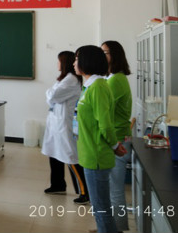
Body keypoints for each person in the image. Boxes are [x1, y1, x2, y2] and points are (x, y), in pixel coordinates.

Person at [74, 45, 127, 233]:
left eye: (77, 59)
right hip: (89, 152)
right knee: (99, 207)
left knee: (101, 208)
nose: (74, 63)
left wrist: (114, 145)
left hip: (97, 154)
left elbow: (105, 124)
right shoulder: (90, 86)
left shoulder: (98, 87)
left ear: (87, 61)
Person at [41, 51, 89, 205]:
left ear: (64, 63)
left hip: (64, 124)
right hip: (56, 122)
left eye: (59, 61)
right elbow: (52, 96)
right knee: (54, 153)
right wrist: (50, 94)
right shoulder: (64, 79)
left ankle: (84, 191)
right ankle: (58, 185)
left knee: (70, 156)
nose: (57, 64)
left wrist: (49, 93)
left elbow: (52, 96)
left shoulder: (71, 80)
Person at [102, 40, 132, 232]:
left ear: (115, 55)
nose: (101, 55)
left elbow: (102, 109)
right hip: (117, 136)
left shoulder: (115, 80)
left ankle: (117, 228)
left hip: (118, 138)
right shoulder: (113, 77)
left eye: (104, 52)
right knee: (111, 188)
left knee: (115, 190)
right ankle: (110, 226)